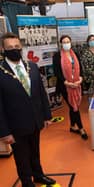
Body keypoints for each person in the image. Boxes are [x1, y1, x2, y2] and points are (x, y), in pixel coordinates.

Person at [0, 32, 56, 187]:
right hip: (15, 126)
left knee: (35, 152)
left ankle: (38, 175)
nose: (14, 49)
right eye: (10, 47)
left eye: (17, 46)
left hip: (35, 120)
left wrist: (46, 115)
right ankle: (27, 182)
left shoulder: (31, 66)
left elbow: (41, 93)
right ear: (2, 49)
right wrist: (4, 132)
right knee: (21, 157)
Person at [53, 35, 88, 140]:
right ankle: (81, 128)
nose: (66, 43)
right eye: (64, 42)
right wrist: (67, 83)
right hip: (65, 86)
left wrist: (81, 78)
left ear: (71, 42)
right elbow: (57, 72)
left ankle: (73, 126)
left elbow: (80, 68)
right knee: (74, 107)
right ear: (61, 44)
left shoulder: (75, 54)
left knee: (73, 106)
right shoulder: (57, 56)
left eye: (68, 41)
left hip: (77, 84)